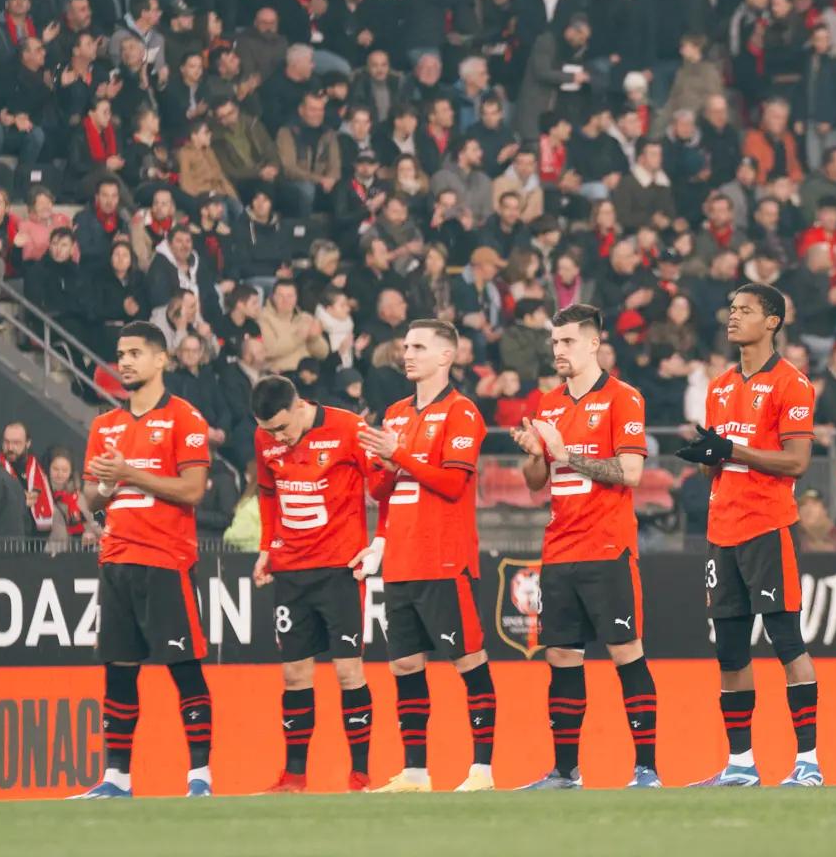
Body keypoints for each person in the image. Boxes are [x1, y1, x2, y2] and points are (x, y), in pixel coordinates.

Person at [680, 283, 824, 787]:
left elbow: (798, 462)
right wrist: (706, 456)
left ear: (773, 322)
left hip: (768, 526)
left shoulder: (792, 383)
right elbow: (715, 469)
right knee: (731, 649)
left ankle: (808, 762)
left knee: (786, 641)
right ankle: (741, 764)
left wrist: (734, 451)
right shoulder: (719, 386)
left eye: (745, 311)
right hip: (722, 530)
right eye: (731, 310)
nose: (732, 317)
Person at [512, 305, 659, 790]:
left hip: (607, 547)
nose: (559, 351)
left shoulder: (623, 398)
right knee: (561, 659)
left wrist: (564, 452)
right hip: (559, 550)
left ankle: (647, 770)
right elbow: (537, 484)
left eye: (568, 342)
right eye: (555, 343)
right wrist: (535, 456)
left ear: (594, 343)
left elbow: (631, 473)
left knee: (625, 652)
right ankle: (564, 771)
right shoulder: (548, 402)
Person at [73, 322, 215, 798]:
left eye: (136, 352)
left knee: (184, 667)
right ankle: (116, 778)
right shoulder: (104, 425)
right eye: (121, 353)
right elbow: (88, 501)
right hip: (116, 560)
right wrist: (107, 487)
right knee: (118, 669)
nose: (126, 361)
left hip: (165, 560)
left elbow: (193, 490)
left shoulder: (184, 418)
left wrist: (129, 472)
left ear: (161, 360)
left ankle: (199, 776)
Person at [358, 320, 495, 794]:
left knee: (468, 660)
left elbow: (453, 484)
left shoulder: (462, 412)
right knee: (405, 666)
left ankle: (482, 769)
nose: (407, 353)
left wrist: (400, 454)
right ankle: (415, 771)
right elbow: (381, 490)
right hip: (401, 560)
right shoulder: (395, 412)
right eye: (406, 345)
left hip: (444, 559)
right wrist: (375, 459)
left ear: (446, 357)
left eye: (418, 346)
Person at [250, 375, 375, 794]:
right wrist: (267, 546)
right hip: (291, 571)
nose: (278, 438)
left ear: (300, 405)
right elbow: (268, 494)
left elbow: (382, 486)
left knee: (347, 670)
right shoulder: (264, 437)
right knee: (294, 673)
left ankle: (359, 775)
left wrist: (381, 542)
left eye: (283, 428)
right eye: (269, 431)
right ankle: (294, 777)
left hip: (340, 569)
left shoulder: (347, 428)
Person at [0, 422, 55, 534]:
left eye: (16, 443)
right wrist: (20, 502)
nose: (10, 447)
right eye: (6, 442)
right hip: (6, 540)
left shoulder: (39, 470)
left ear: (28, 443)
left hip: (37, 541)